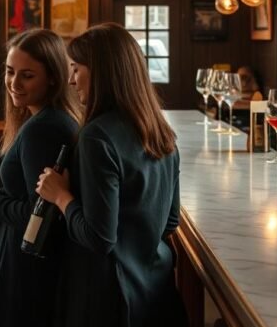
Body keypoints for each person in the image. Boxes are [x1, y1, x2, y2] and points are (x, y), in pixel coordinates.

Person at [36, 23, 187, 327]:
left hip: (109, 297)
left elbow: (98, 238)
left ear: (102, 73)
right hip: (155, 289)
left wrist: (60, 196)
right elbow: (170, 222)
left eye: (76, 68)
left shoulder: (97, 137)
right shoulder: (161, 132)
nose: (70, 79)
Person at [0, 29, 80, 327]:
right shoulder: (48, 119)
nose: (14, 83)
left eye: (27, 75)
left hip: (26, 265)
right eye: (10, 72)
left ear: (53, 77)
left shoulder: (44, 128)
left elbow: (41, 217)